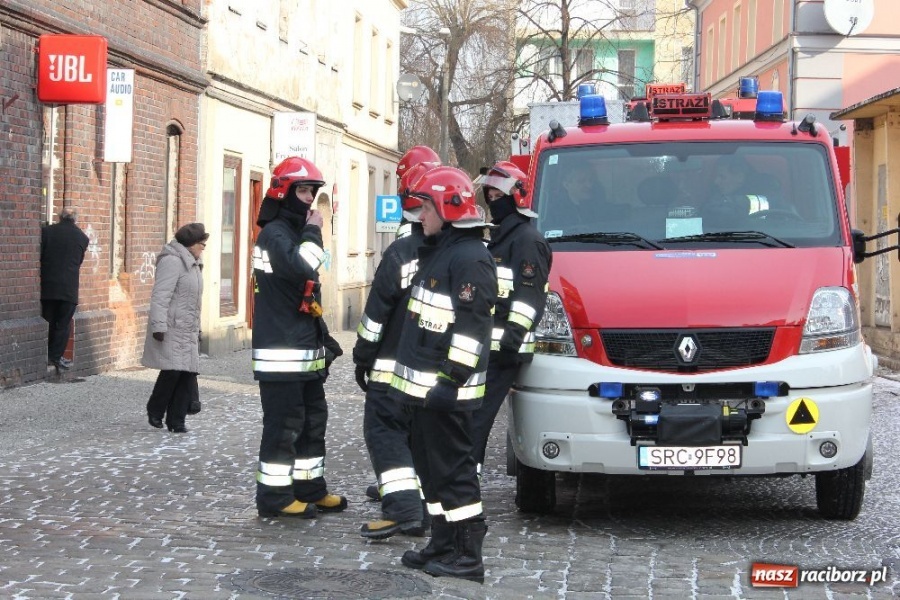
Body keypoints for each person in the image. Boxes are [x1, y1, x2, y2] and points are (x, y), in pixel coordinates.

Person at [388, 166, 497, 584]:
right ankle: (442, 541)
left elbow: (473, 331)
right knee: (432, 473)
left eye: (425, 207)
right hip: (424, 393)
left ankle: (467, 555)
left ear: (448, 208)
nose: (420, 217)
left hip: (448, 393)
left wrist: (450, 381)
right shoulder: (442, 251)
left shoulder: (470, 259)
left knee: (454, 473)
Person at [251, 156, 347, 519]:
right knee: (284, 426)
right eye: (303, 190)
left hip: (303, 349)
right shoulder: (275, 234)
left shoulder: (289, 231)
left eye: (312, 191)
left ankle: (310, 488)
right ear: (284, 192)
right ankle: (274, 498)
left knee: (311, 422)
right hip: (282, 352)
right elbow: (303, 266)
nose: (309, 199)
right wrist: (314, 230)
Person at [354, 159, 440, 540]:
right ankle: (421, 504)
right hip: (438, 371)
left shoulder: (402, 253)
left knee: (384, 431)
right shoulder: (464, 253)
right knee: (421, 438)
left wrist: (361, 356)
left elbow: (376, 315)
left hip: (392, 368)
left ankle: (404, 510)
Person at [470, 161, 552, 478]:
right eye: (488, 192)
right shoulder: (503, 236)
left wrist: (512, 339)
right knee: (471, 413)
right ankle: (464, 474)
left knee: (477, 416)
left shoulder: (527, 241)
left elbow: (529, 298)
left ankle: (465, 478)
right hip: (487, 347)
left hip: (505, 351)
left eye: (496, 193)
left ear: (516, 196)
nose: (491, 199)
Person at [142, 222, 208, 433]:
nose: (203, 248)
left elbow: (193, 302)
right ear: (191, 244)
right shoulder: (172, 261)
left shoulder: (194, 264)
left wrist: (197, 329)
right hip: (172, 326)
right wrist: (159, 325)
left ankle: (177, 421)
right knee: (172, 372)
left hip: (187, 327)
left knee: (186, 374)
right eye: (202, 244)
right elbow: (161, 295)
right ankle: (155, 409)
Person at [40, 207, 89, 371]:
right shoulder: (82, 237)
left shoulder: (46, 232)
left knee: (48, 320)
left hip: (48, 286)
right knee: (63, 324)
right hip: (69, 288)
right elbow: (79, 261)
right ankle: (55, 357)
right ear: (75, 219)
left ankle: (44, 355)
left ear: (60, 217)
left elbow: (42, 255)